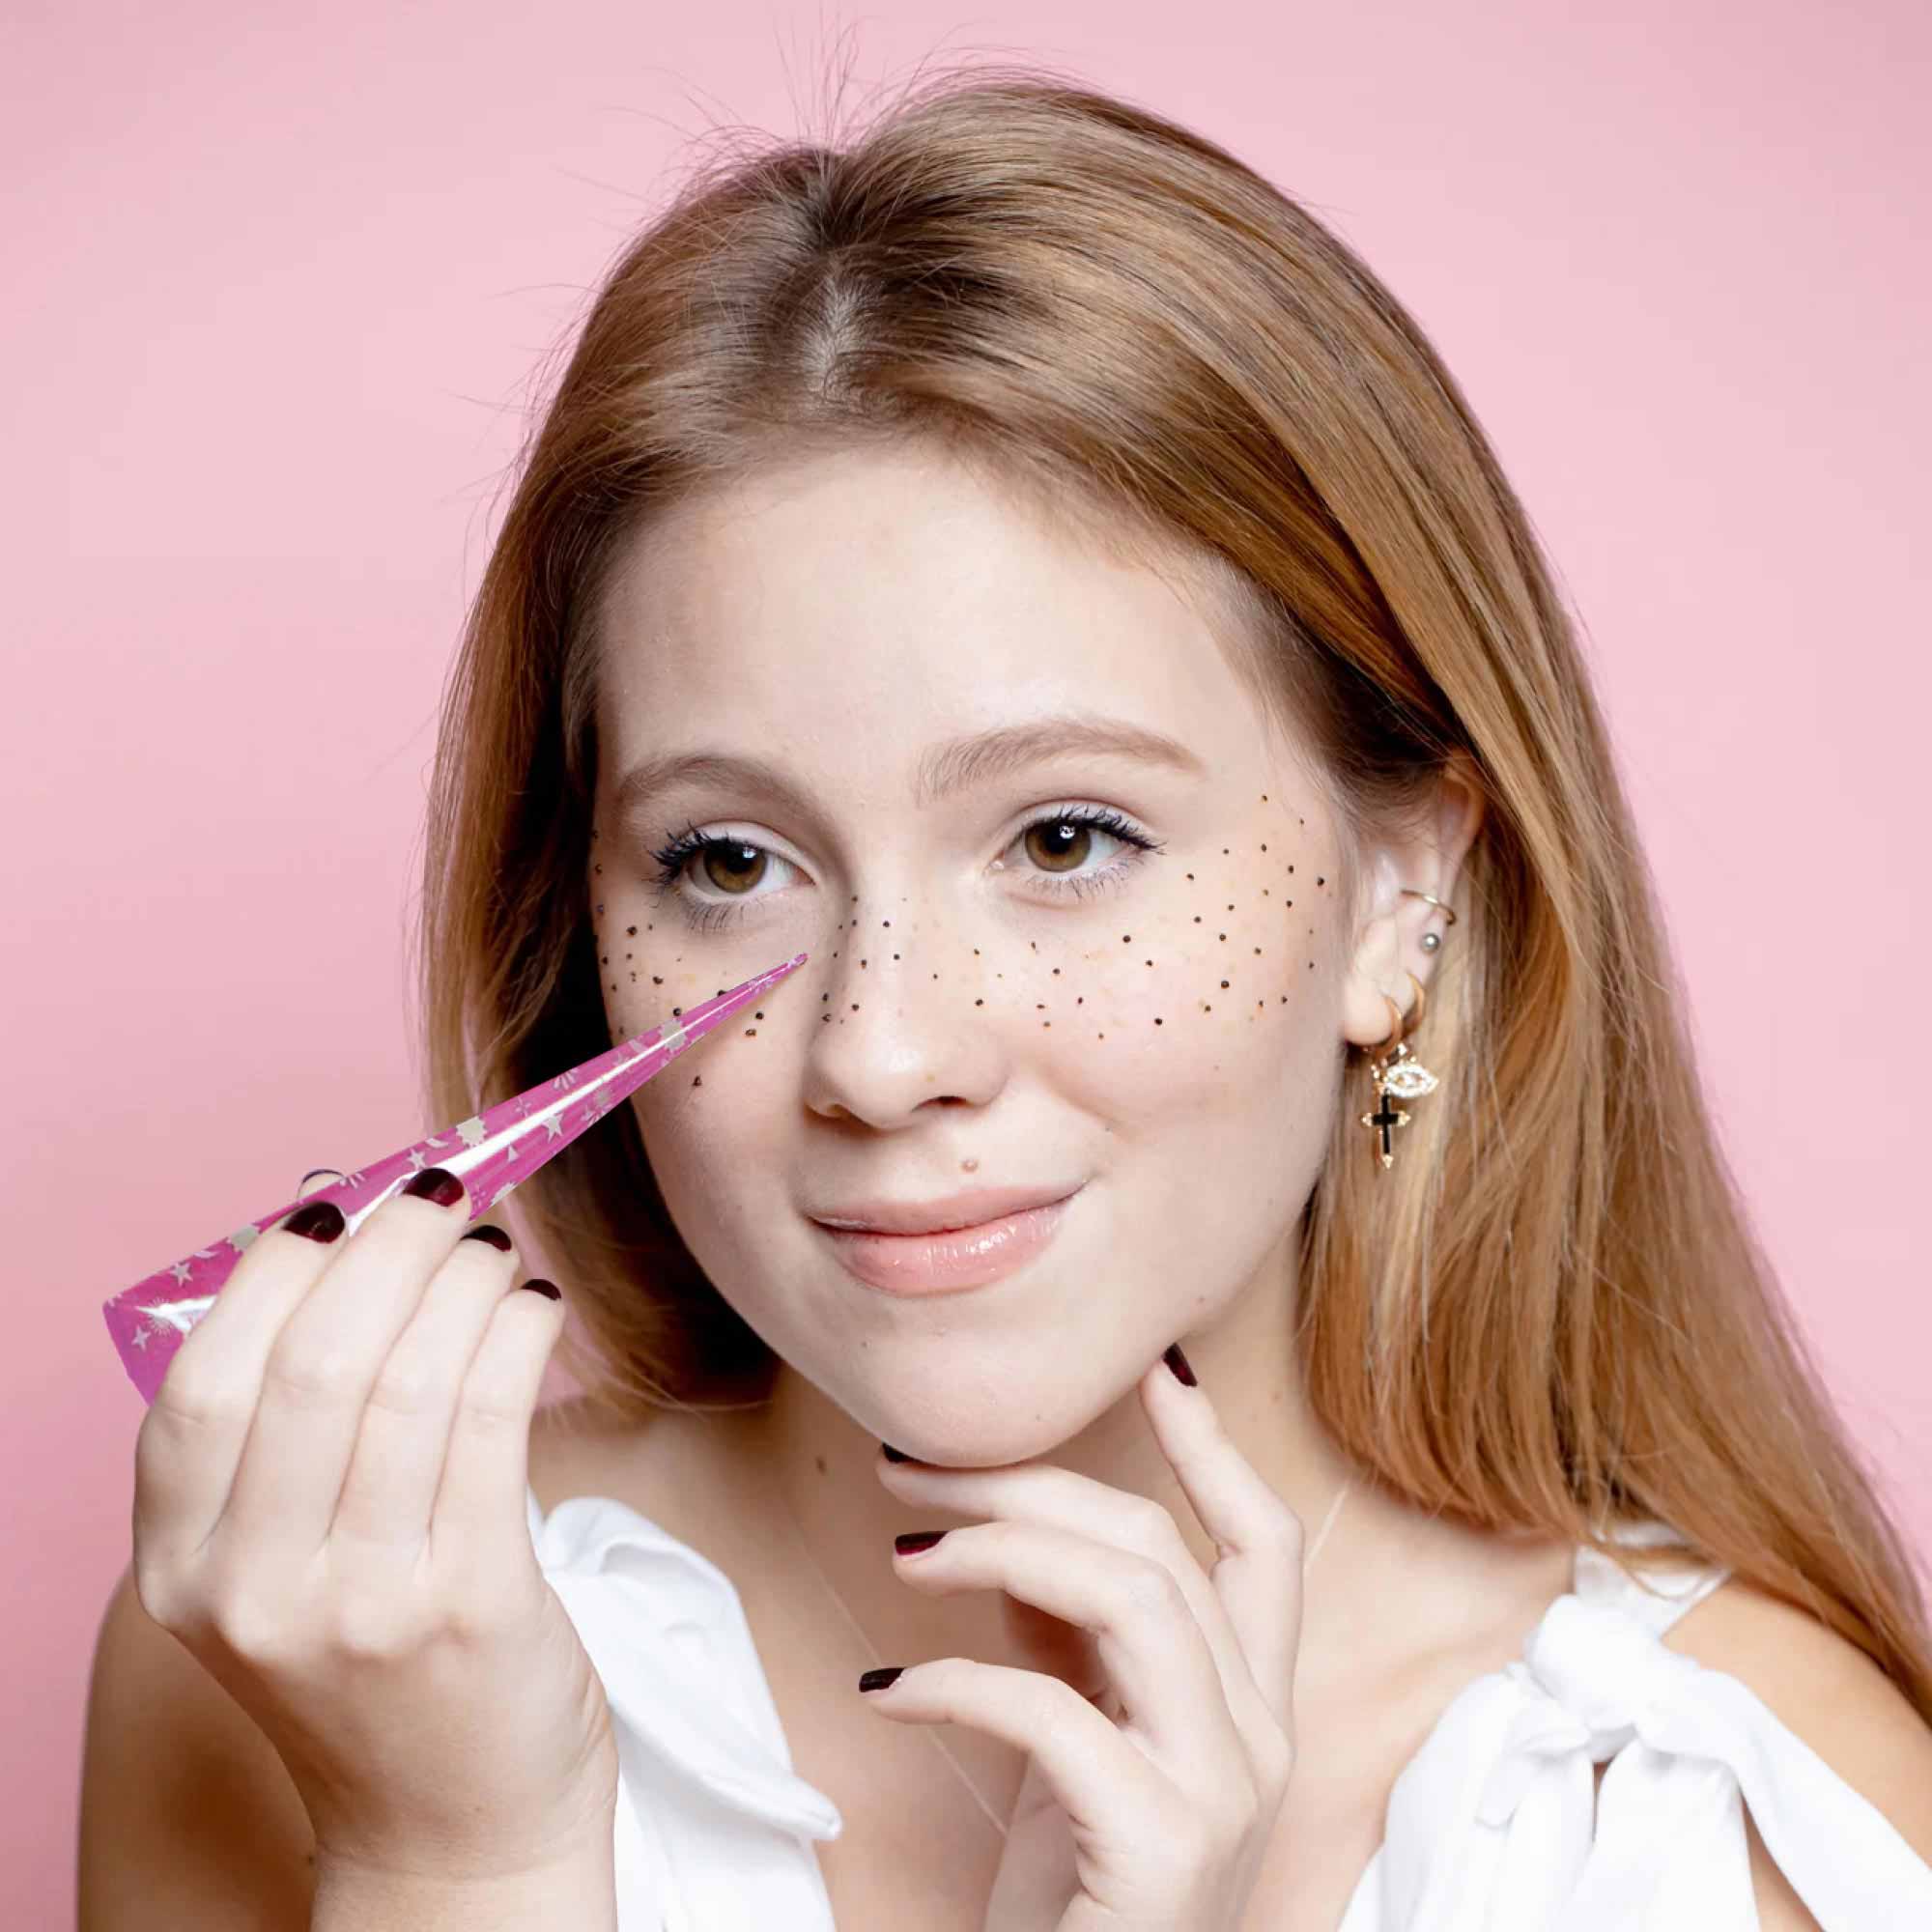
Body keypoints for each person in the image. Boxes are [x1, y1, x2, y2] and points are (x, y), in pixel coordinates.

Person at [79, 63, 1932, 1932]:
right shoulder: (320, 1654)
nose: (882, 1056)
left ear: (1402, 890)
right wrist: (453, 1860)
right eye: (728, 864)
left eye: (1065, 840)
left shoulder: (1736, 1824)